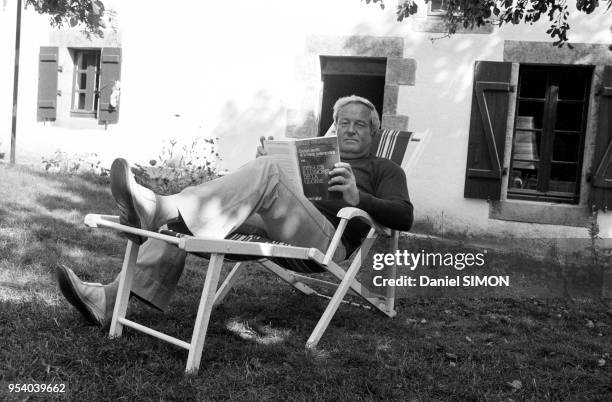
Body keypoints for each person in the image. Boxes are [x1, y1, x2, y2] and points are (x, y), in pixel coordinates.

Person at [56, 95, 414, 326]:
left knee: (264, 176)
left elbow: (404, 215)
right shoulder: (313, 157)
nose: (350, 129)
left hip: (326, 241)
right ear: (334, 126)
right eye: (344, 122)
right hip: (281, 222)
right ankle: (107, 299)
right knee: (187, 217)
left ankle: (159, 207)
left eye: (361, 124)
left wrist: (358, 198)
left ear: (374, 132)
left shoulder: (384, 169)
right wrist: (274, 165)